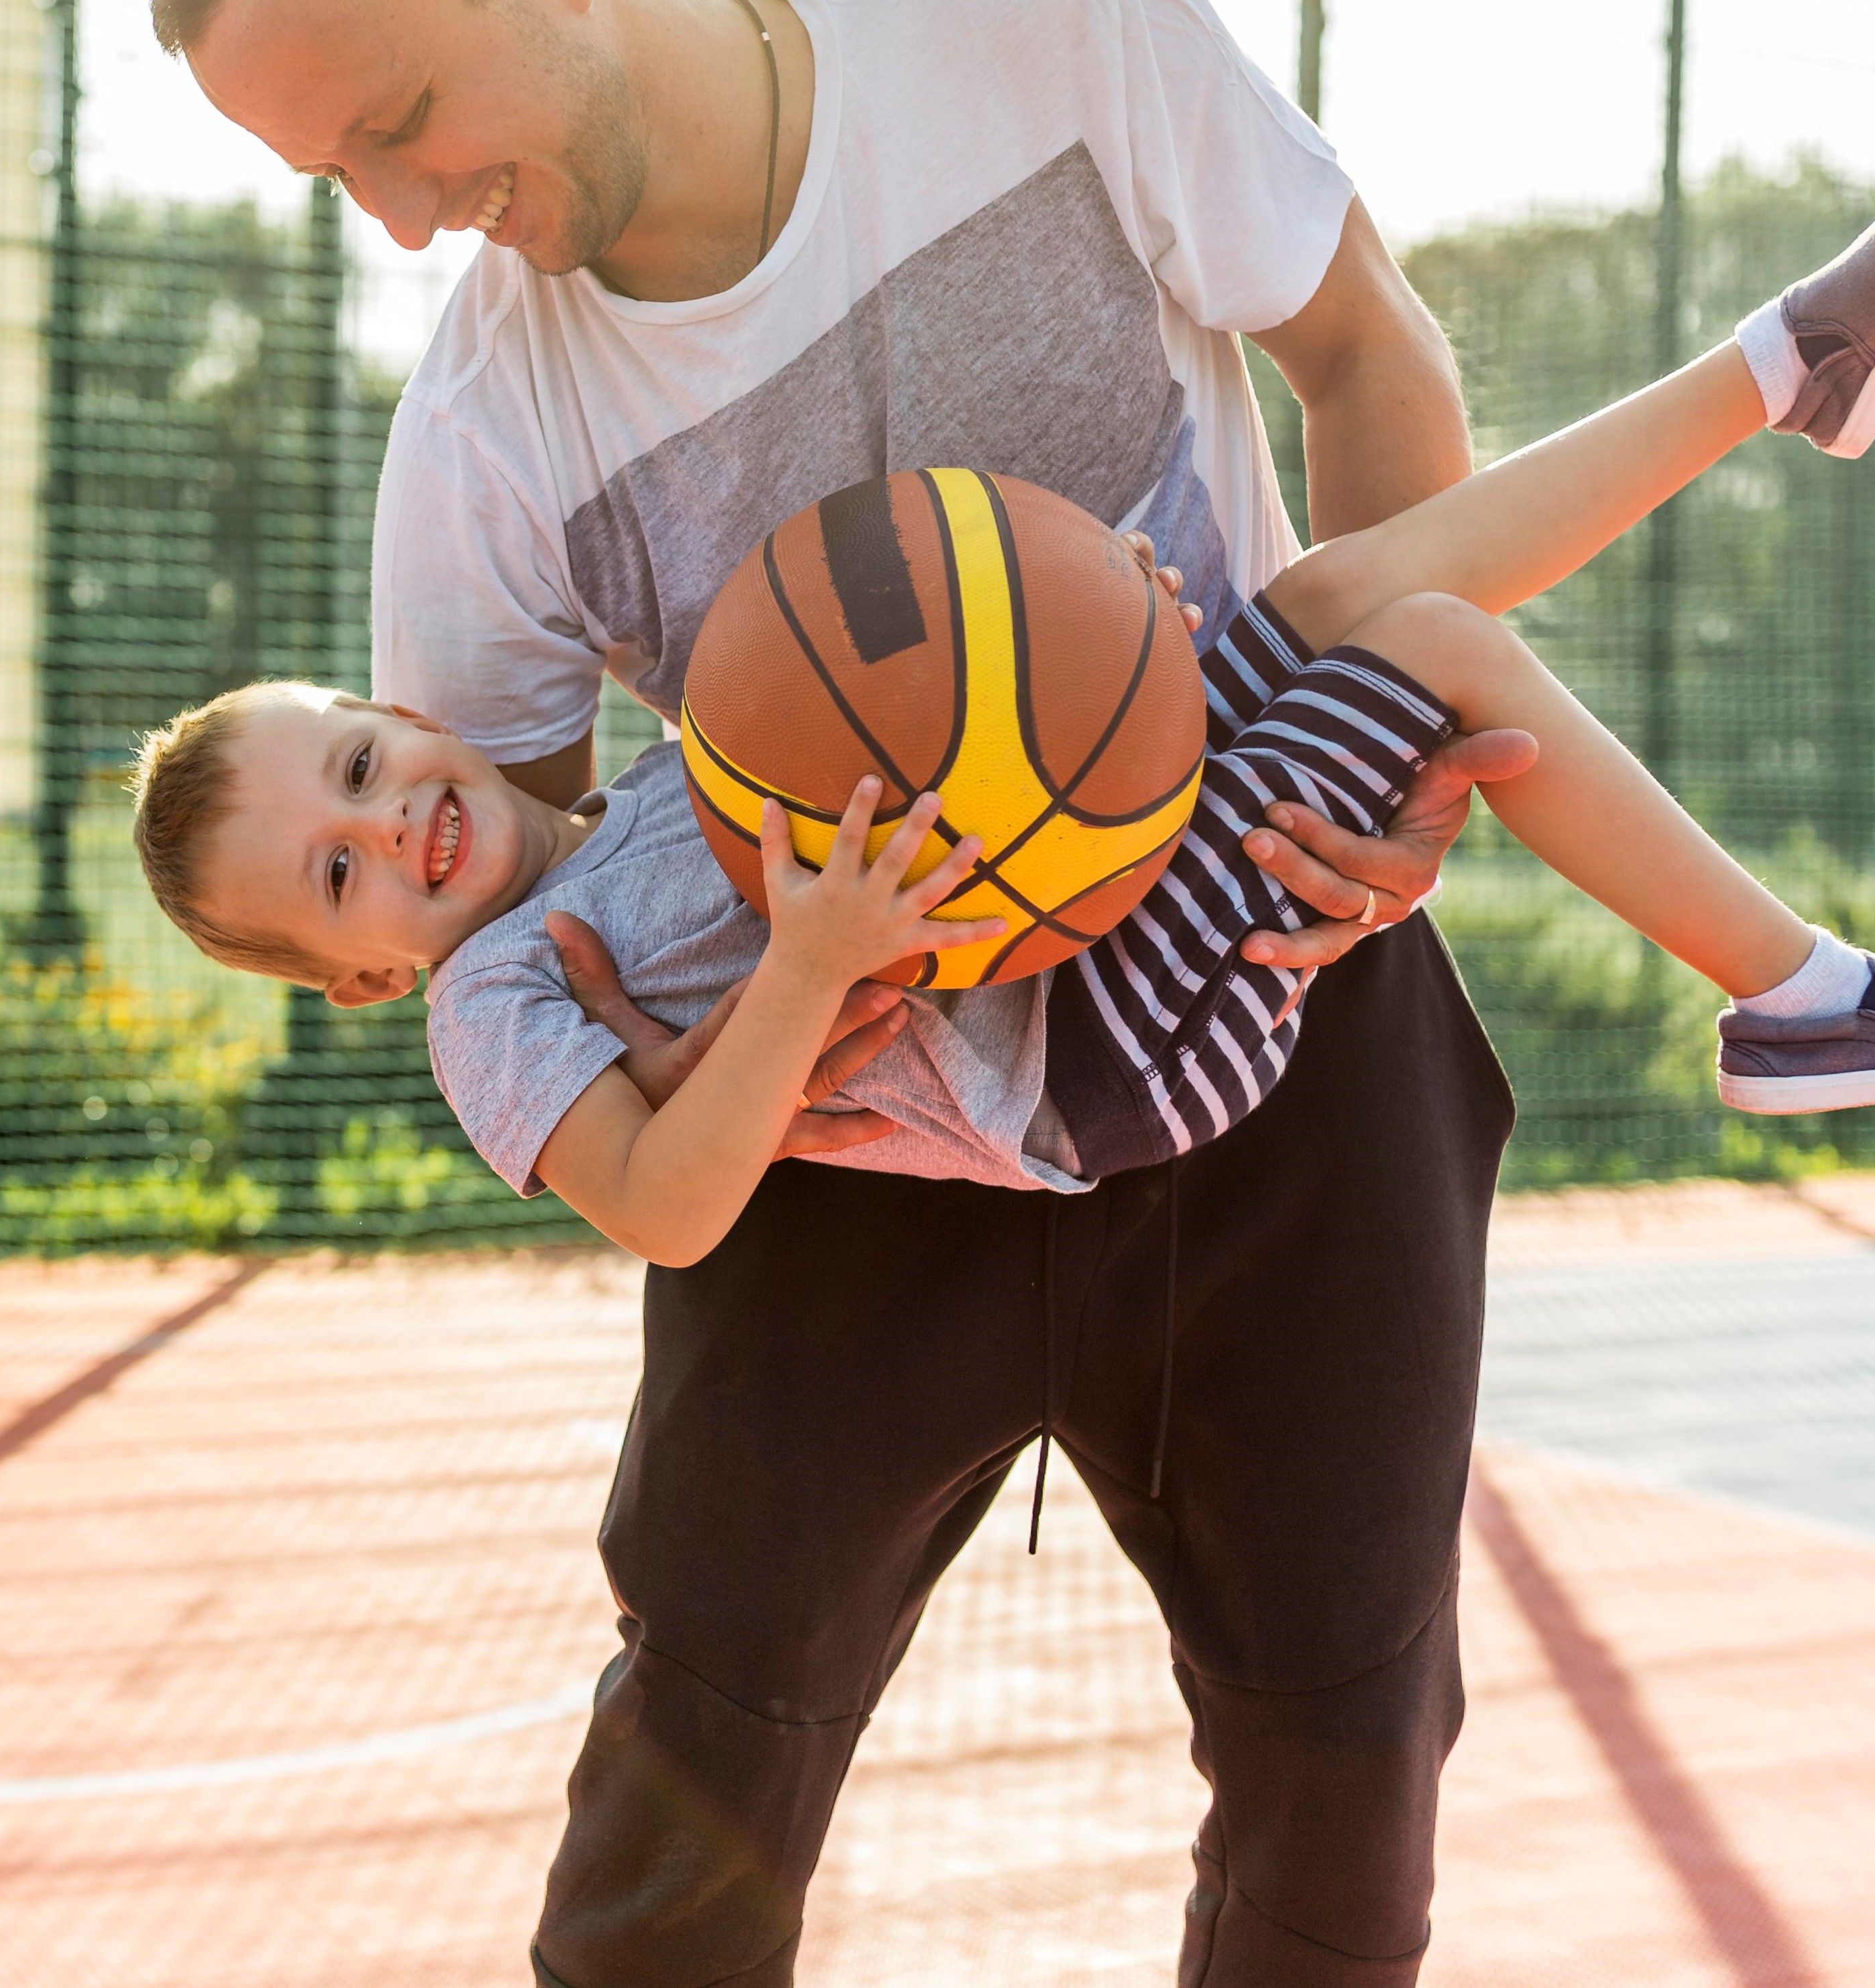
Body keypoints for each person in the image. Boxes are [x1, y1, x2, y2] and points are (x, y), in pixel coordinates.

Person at [147, 0, 1830, 1979]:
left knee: (1345, 1756)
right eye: (338, 178)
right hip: (848, 1090)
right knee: (701, 1766)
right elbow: (546, 900)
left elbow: (1364, 342)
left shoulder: (1028, 29)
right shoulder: (484, 435)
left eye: (405, 121)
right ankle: (1785, 392)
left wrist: (1393, 786)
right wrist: (743, 1038)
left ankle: (1789, 432)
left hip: (1256, 949)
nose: (408, 221)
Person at [129, 265, 1875, 1263]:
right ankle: (1800, 999)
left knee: (1344, 591)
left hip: (1096, 892)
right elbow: (663, 1214)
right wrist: (808, 965)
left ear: (411, 714)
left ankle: (1782, 364)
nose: (382, 825)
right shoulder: (491, 1001)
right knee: (1432, 647)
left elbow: (942, 726)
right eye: (334, 872)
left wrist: (1096, 647)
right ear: (359, 980)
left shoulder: (674, 768)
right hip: (1092, 1057)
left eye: (353, 763)